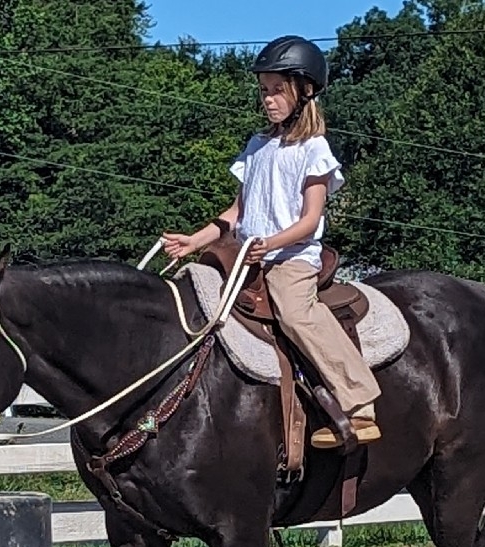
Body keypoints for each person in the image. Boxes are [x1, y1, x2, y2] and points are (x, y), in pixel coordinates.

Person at [162, 35, 382, 449]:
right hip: (249, 254)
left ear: (304, 91)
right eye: (264, 90)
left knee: (296, 314)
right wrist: (194, 240)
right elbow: (235, 213)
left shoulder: (314, 150)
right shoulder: (257, 146)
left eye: (276, 90)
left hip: (291, 259)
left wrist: (270, 243)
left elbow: (311, 220)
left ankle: (359, 402)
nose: (268, 99)